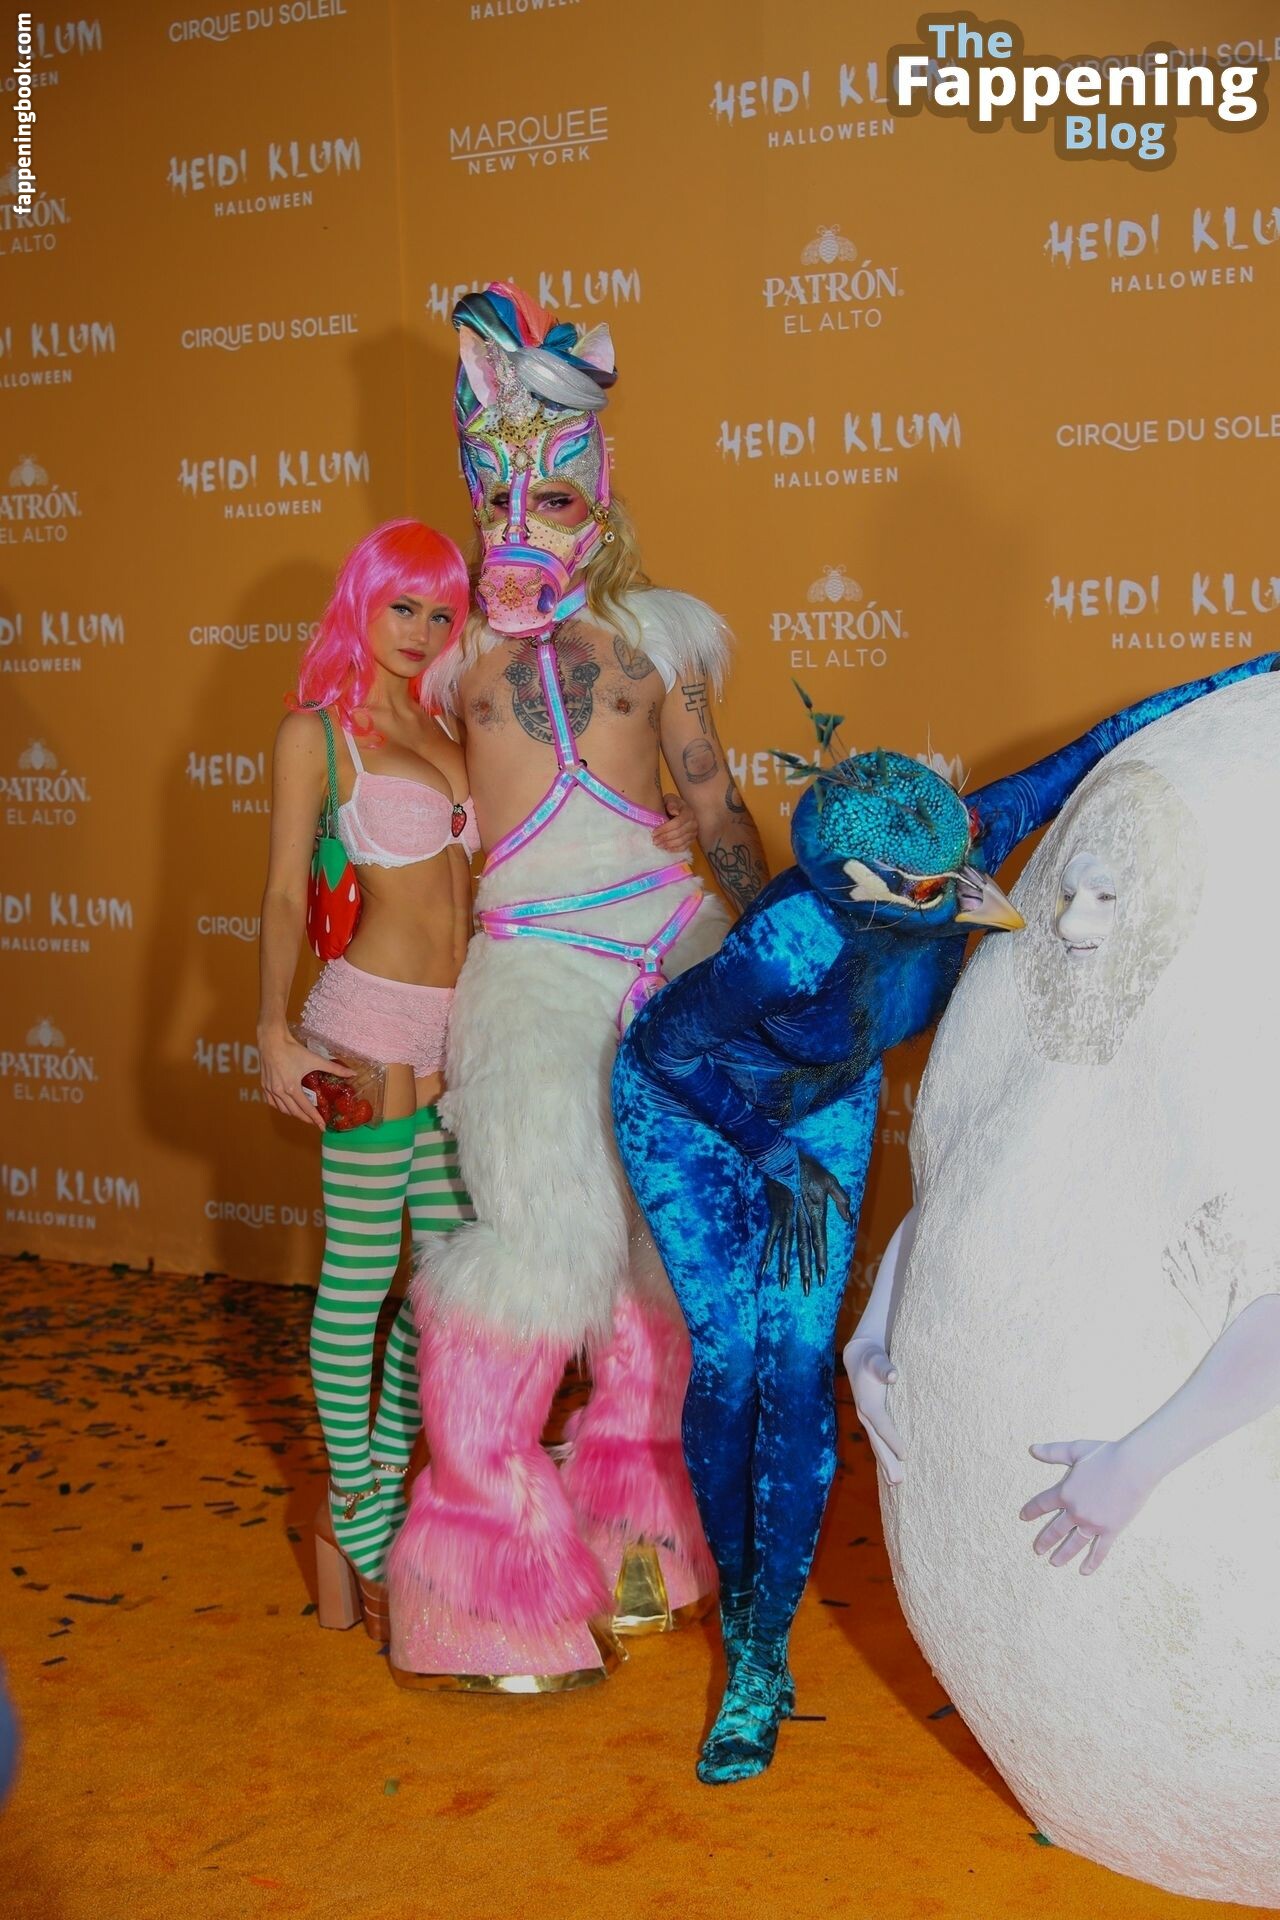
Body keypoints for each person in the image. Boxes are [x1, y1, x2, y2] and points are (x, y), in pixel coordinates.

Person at [613, 655, 1280, 1782]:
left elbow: (1101, 736)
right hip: (696, 1118)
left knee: (797, 1370)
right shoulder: (787, 947)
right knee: (732, 1365)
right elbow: (662, 1049)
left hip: (824, 1105)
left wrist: (1261, 664)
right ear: (854, 887)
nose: (970, 890)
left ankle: (760, 1662)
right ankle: (742, 1624)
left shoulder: (955, 840)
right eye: (929, 888)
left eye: (960, 859)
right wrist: (770, 1156)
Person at [386, 282, 770, 1690]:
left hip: (669, 950)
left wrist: (777, 951)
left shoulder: (659, 641)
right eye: (498, 494)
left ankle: (633, 1524)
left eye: (549, 493)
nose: (522, 521)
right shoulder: (448, 656)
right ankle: (477, 1576)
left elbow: (714, 804)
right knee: (541, 1243)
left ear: (598, 495)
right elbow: (398, 804)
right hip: (534, 966)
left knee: (665, 1249)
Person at [256, 519, 482, 1639]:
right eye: (404, 606)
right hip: (364, 1030)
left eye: (442, 613)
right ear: (362, 602)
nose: (422, 631)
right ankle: (360, 1511)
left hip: (458, 1035)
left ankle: (378, 1491)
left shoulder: (453, 726)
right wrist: (269, 1029)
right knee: (358, 1280)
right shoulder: (319, 733)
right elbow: (279, 893)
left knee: (445, 1294)